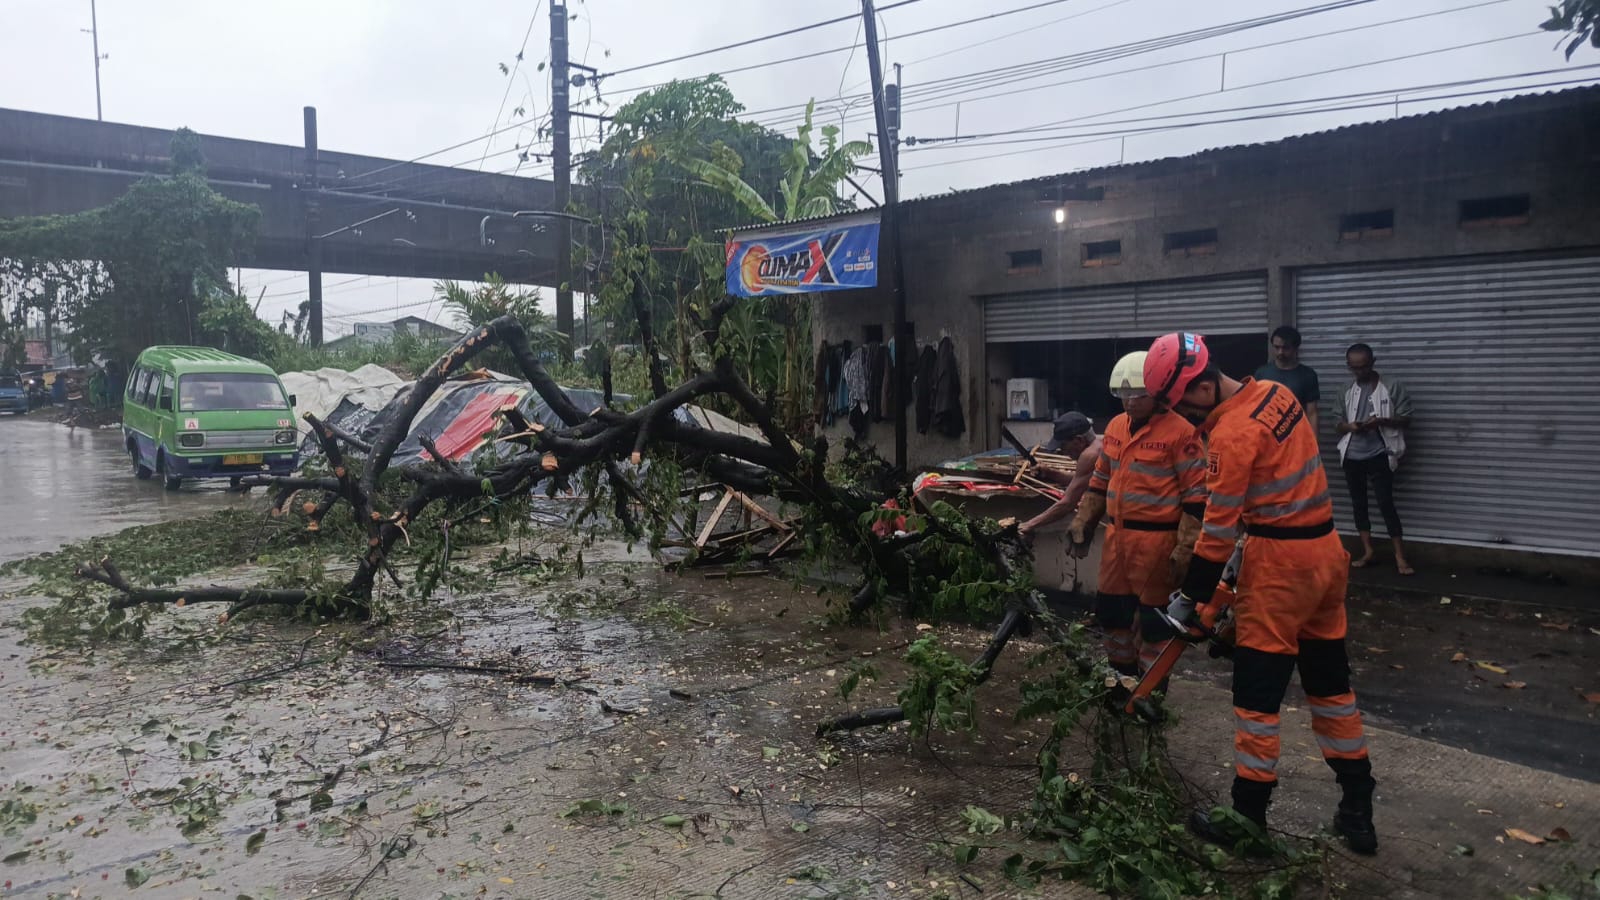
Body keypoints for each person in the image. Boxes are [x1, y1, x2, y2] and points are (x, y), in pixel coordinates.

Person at [1145, 332, 1377, 856]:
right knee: (1330, 688)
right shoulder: (1278, 394)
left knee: (1256, 698)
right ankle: (1358, 811)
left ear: (1203, 388)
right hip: (1325, 553)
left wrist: (1190, 600)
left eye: (1182, 405)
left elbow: (1218, 530)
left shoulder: (1230, 435)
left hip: (1279, 571)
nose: (1185, 417)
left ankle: (1246, 821)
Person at [1065, 352, 1207, 679]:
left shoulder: (1181, 433)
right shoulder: (1115, 427)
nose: (1129, 402)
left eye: (1138, 394)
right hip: (1117, 540)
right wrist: (1083, 519)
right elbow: (1100, 479)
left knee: (1155, 623)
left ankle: (1150, 692)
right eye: (1123, 395)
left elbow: (1196, 498)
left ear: (1158, 391)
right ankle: (1121, 680)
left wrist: (1186, 548)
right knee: (1112, 614)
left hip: (1156, 544)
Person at [1331, 343, 1414, 575]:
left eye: (1364, 366)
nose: (1360, 372)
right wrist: (1351, 426)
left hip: (1380, 453)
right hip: (1352, 454)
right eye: (1354, 368)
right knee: (1359, 504)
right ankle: (1368, 551)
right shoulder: (1345, 390)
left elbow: (1407, 418)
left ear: (1373, 362)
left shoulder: (1391, 386)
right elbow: (1336, 422)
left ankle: (1400, 556)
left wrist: (1382, 421)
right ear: (1349, 366)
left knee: (1386, 503)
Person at [1018, 412, 1100, 540]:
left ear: (1079, 440)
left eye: (1063, 446)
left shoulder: (1090, 455)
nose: (1062, 451)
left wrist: (1028, 525)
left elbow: (1068, 503)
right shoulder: (1099, 445)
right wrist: (1050, 472)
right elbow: (1079, 481)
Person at [1253, 325, 1320, 432]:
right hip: (1268, 436)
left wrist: (1313, 443)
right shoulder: (1262, 373)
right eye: (1277, 347)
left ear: (1295, 348)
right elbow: (1254, 408)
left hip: (1296, 435)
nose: (1280, 352)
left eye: (1285, 348)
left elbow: (1312, 413)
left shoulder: (1308, 375)